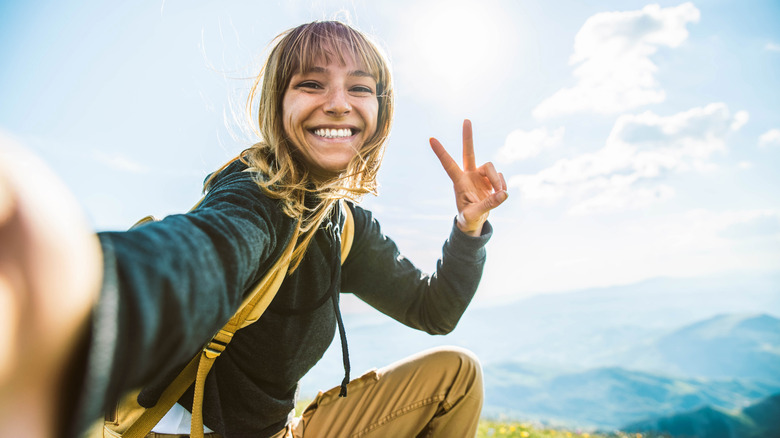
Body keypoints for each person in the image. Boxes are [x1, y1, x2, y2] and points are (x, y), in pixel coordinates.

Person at [0, 20, 508, 438]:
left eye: (359, 88)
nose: (338, 103)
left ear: (380, 109)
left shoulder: (345, 223)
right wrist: (71, 300)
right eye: (311, 83)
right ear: (277, 102)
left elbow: (432, 310)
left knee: (454, 376)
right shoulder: (257, 192)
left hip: (278, 430)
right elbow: (203, 255)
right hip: (188, 431)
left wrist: (469, 227)